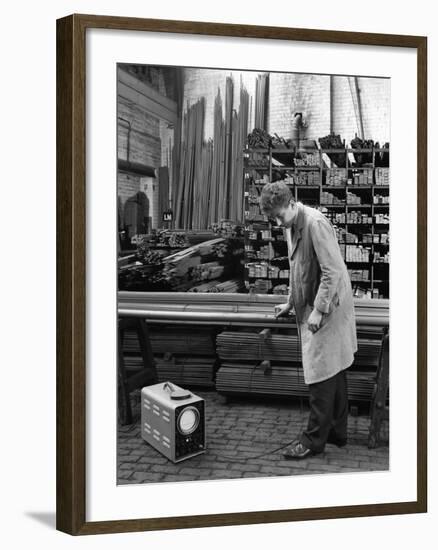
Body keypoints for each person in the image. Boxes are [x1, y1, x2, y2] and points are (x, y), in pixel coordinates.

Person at [259, 181, 358, 459]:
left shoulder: (315, 224)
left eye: (280, 215)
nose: (278, 223)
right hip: (317, 303)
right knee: (335, 370)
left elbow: (333, 271)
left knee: (320, 373)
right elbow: (296, 268)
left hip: (330, 307)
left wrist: (318, 309)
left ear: (292, 204)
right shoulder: (292, 226)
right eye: (274, 219)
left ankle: (313, 440)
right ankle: (338, 433)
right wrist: (291, 302)